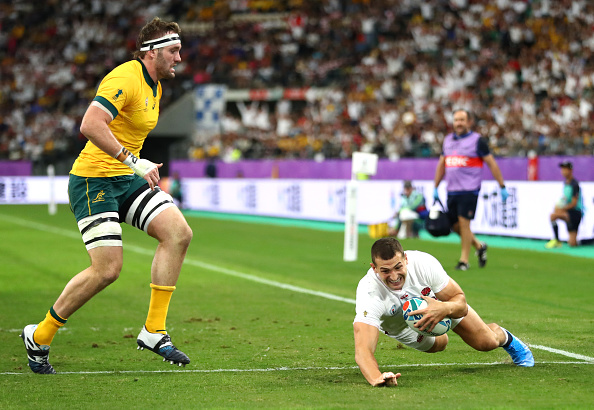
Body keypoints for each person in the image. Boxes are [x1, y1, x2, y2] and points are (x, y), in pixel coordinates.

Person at [21, 18, 193, 374]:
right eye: (174, 50)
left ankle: (154, 331)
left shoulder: (156, 86)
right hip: (93, 180)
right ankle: (39, 335)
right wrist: (134, 161)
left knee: (178, 234)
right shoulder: (125, 77)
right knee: (107, 270)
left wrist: (133, 164)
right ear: (152, 52)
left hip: (124, 179)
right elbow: (90, 124)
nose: (179, 57)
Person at [353, 237, 534, 387]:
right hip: (402, 327)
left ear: (406, 259)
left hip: (440, 304)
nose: (394, 276)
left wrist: (444, 308)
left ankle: (507, 339)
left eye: (398, 267)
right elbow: (363, 350)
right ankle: (445, 331)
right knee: (440, 344)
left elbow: (460, 302)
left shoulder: (423, 263)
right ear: (374, 268)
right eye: (385, 271)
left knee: (486, 342)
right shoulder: (369, 292)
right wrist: (376, 377)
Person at [433, 109, 508, 271]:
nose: (458, 123)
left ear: (468, 122)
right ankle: (479, 246)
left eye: (462, 120)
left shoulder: (477, 141)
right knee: (456, 226)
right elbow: (441, 164)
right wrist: (435, 186)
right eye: (456, 120)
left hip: (469, 190)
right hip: (451, 190)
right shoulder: (447, 140)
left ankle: (464, 261)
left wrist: (501, 185)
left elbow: (492, 164)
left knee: (464, 224)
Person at [545, 161, 584, 248]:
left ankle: (558, 240)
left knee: (553, 216)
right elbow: (565, 199)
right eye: (562, 169)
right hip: (568, 212)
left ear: (570, 170)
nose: (563, 171)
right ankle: (558, 239)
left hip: (574, 213)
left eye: (565, 169)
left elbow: (574, 203)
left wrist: (562, 209)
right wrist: (558, 206)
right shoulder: (566, 184)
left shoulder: (574, 184)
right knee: (572, 242)